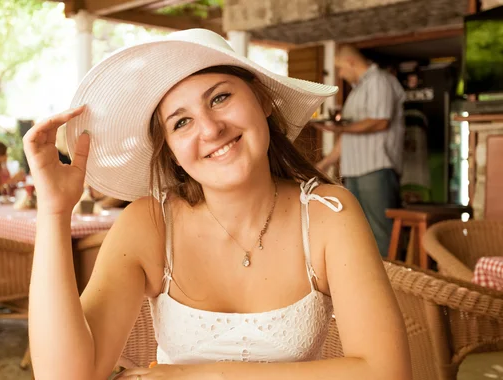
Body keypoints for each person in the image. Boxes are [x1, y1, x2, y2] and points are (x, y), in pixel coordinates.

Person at [25, 29, 411, 380]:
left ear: (262, 101)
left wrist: (194, 376)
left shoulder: (328, 214)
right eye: (181, 123)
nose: (210, 129)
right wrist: (54, 211)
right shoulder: (148, 224)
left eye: (220, 98)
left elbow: (387, 372)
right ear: (172, 153)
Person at [315, 45, 406, 258]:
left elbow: (380, 121)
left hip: (376, 168)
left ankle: (394, 285)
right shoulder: (357, 90)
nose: (340, 74)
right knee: (359, 232)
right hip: (354, 170)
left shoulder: (379, 81)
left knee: (381, 233)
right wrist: (325, 163)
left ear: (351, 62)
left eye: (340, 68)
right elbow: (347, 135)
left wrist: (340, 128)